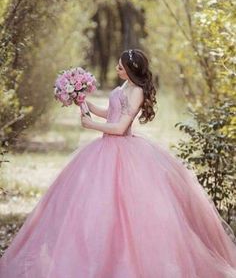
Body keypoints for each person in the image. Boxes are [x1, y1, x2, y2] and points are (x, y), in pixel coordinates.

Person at [0, 48, 236, 278]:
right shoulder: (126, 86)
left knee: (126, 211)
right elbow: (111, 113)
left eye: (120, 67)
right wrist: (84, 102)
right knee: (98, 207)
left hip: (123, 152)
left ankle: (125, 264)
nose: (116, 69)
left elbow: (120, 127)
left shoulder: (136, 92)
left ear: (131, 70)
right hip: (105, 150)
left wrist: (92, 126)